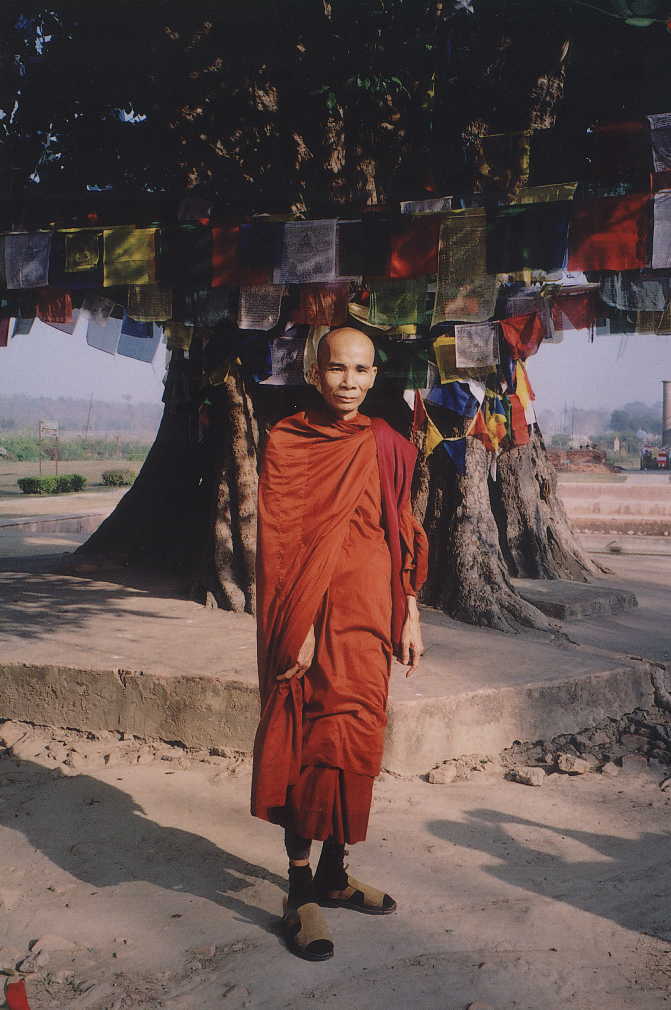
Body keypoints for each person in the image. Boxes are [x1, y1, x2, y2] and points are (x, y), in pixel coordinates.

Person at [251, 326, 428, 961]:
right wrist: (296, 626)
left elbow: (400, 529)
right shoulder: (290, 441)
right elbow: (280, 540)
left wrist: (410, 611)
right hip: (311, 620)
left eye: (360, 370)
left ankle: (334, 873)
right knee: (309, 743)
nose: (348, 382)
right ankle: (298, 890)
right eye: (336, 368)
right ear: (315, 372)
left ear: (374, 376)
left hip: (371, 616)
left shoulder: (388, 443)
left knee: (355, 740)